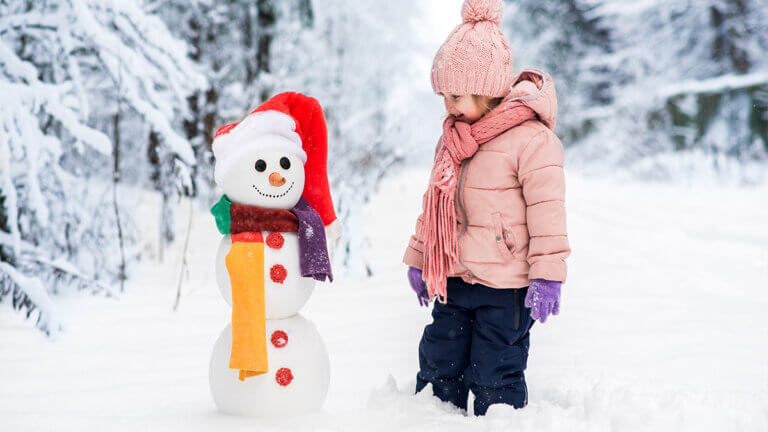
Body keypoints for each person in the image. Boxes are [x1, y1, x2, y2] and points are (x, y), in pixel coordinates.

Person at [403, 0, 571, 416]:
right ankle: (432, 422)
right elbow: (435, 203)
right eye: (445, 95)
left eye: (457, 94)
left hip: (507, 283)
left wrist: (547, 275)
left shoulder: (531, 140)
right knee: (440, 362)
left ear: (488, 89)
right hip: (456, 275)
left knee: (496, 368)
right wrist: (421, 257)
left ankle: (501, 422)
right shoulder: (452, 141)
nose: (449, 105)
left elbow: (548, 211)